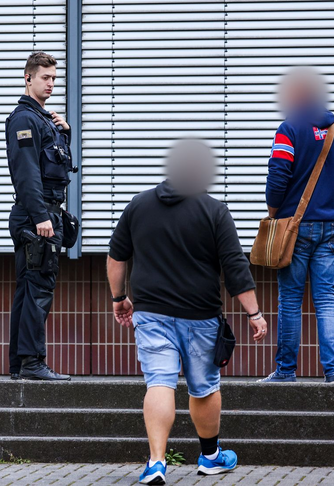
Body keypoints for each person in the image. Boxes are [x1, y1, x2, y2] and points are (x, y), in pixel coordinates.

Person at [106, 139, 268, 484]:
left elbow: (116, 256)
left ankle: (156, 463)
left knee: (160, 382)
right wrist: (254, 314)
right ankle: (210, 457)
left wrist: (119, 297)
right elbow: (235, 267)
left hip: (151, 314)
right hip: (201, 317)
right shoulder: (213, 210)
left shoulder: (139, 205)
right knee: (204, 387)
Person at [261, 67, 334, 384]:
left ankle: (286, 371)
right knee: (327, 300)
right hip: (329, 226)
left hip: (295, 226)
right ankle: (332, 372)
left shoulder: (289, 129)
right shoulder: (332, 130)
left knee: (290, 300)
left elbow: (278, 175)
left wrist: (274, 211)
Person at [5, 52, 74, 381]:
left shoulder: (45, 119)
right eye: (44, 77)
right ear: (28, 78)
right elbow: (27, 173)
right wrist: (39, 217)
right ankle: (32, 362)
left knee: (30, 288)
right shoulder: (24, 120)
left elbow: (57, 166)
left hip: (47, 210)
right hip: (37, 214)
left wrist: (65, 132)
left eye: (53, 78)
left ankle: (21, 364)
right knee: (39, 289)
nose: (50, 83)